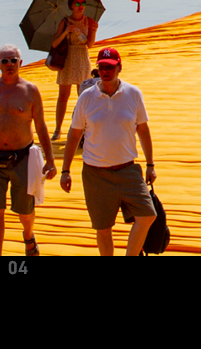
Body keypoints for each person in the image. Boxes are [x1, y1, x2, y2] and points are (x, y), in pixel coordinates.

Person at [59, 46, 156, 256]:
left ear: (119, 67)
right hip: (96, 173)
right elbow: (74, 135)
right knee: (103, 229)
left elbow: (143, 129)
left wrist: (150, 165)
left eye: (110, 67)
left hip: (128, 170)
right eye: (102, 67)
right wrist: (65, 171)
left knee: (147, 216)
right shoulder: (86, 98)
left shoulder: (133, 94)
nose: (106, 71)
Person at [0, 45, 55, 258]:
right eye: (4, 61)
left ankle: (28, 235)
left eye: (13, 60)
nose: (9, 64)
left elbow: (41, 126)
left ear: (20, 63)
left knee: (25, 211)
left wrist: (50, 160)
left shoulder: (30, 90)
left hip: (22, 157)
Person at [51, 0, 99, 138]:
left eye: (83, 3)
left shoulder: (89, 21)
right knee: (63, 96)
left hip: (82, 57)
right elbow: (54, 44)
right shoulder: (64, 21)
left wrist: (94, 30)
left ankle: (83, 128)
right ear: (71, 5)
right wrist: (66, 32)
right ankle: (58, 129)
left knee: (83, 95)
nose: (81, 6)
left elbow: (90, 44)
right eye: (77, 3)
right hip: (68, 58)